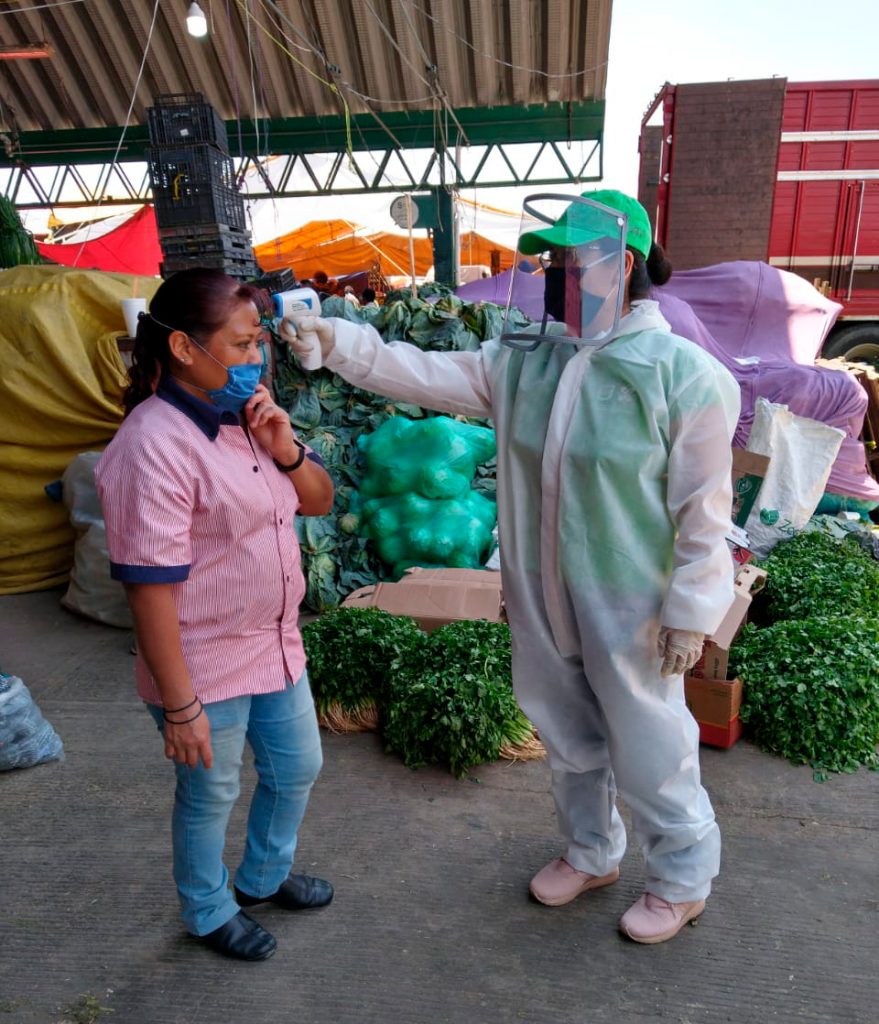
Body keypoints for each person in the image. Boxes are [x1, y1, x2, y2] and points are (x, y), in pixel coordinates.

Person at [285, 190, 740, 945]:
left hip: (632, 603)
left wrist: (692, 611)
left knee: (649, 744)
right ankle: (592, 852)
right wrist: (336, 340)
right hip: (540, 590)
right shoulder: (529, 362)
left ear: (618, 264)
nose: (554, 277)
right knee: (565, 734)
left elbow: (704, 510)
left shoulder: (681, 377)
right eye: (551, 263)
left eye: (568, 263)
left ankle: (682, 879)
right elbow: (422, 371)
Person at [95, 268, 335, 962]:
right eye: (238, 344)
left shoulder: (249, 415)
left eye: (258, 340)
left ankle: (264, 876)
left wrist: (285, 447)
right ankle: (206, 909)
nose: (255, 358)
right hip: (201, 660)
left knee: (296, 768)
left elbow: (315, 500)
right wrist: (180, 707)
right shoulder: (153, 446)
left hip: (273, 645)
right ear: (182, 349)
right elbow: (148, 589)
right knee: (209, 792)